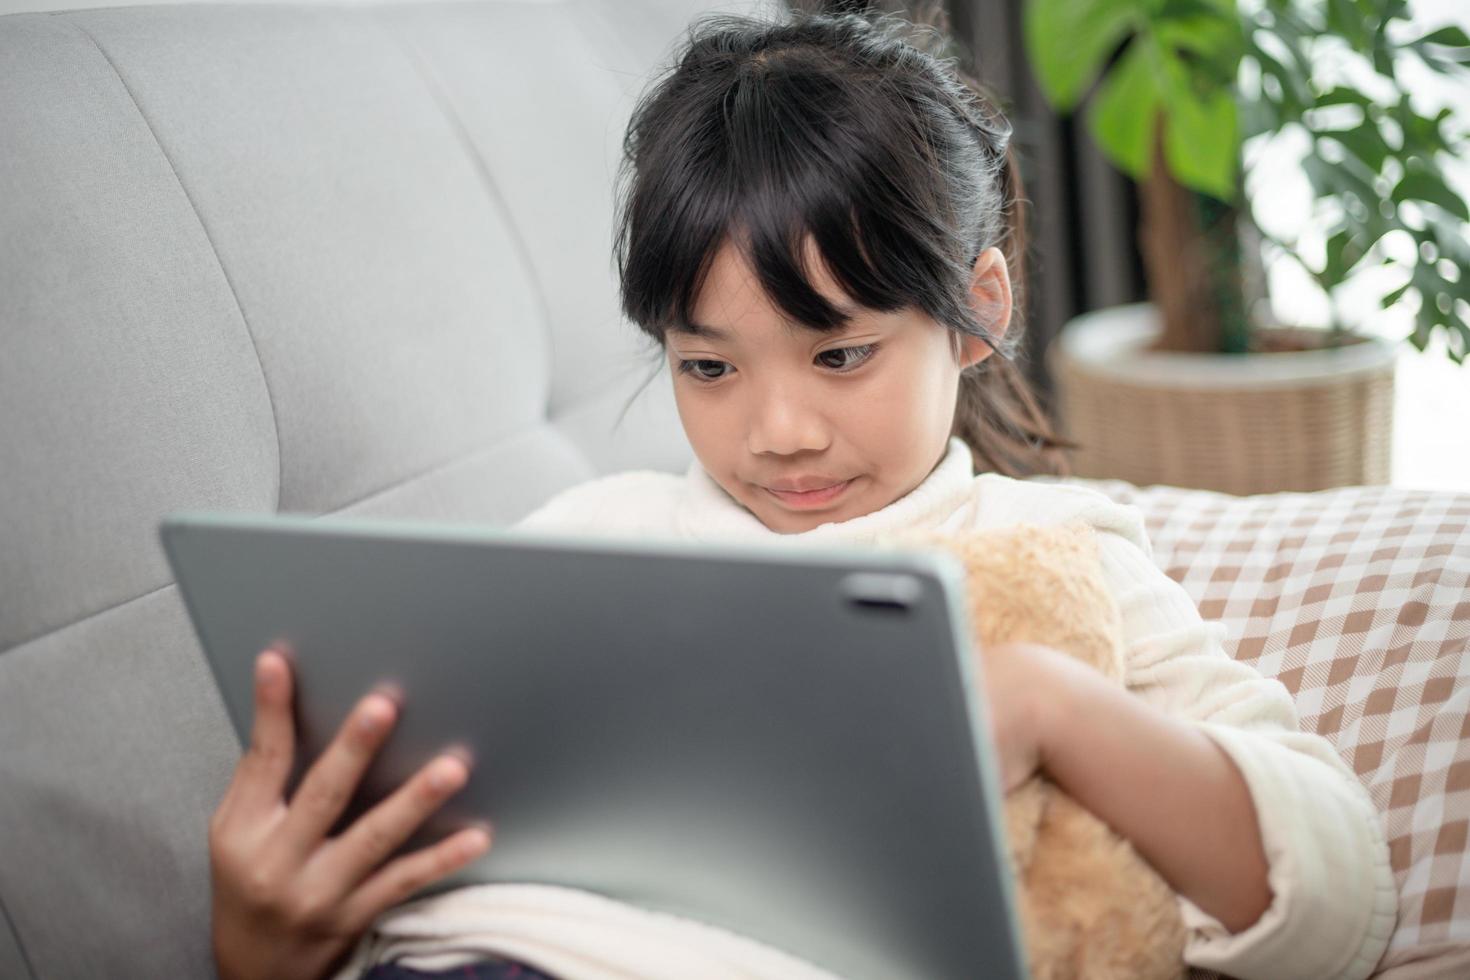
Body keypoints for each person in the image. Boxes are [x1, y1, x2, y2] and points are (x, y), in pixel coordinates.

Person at [206, 9, 1396, 980]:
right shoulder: (584, 541)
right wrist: (259, 942)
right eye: (708, 367)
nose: (779, 433)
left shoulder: (1048, 552)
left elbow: (1344, 898)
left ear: (979, 308)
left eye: (841, 355)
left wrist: (1049, 707)